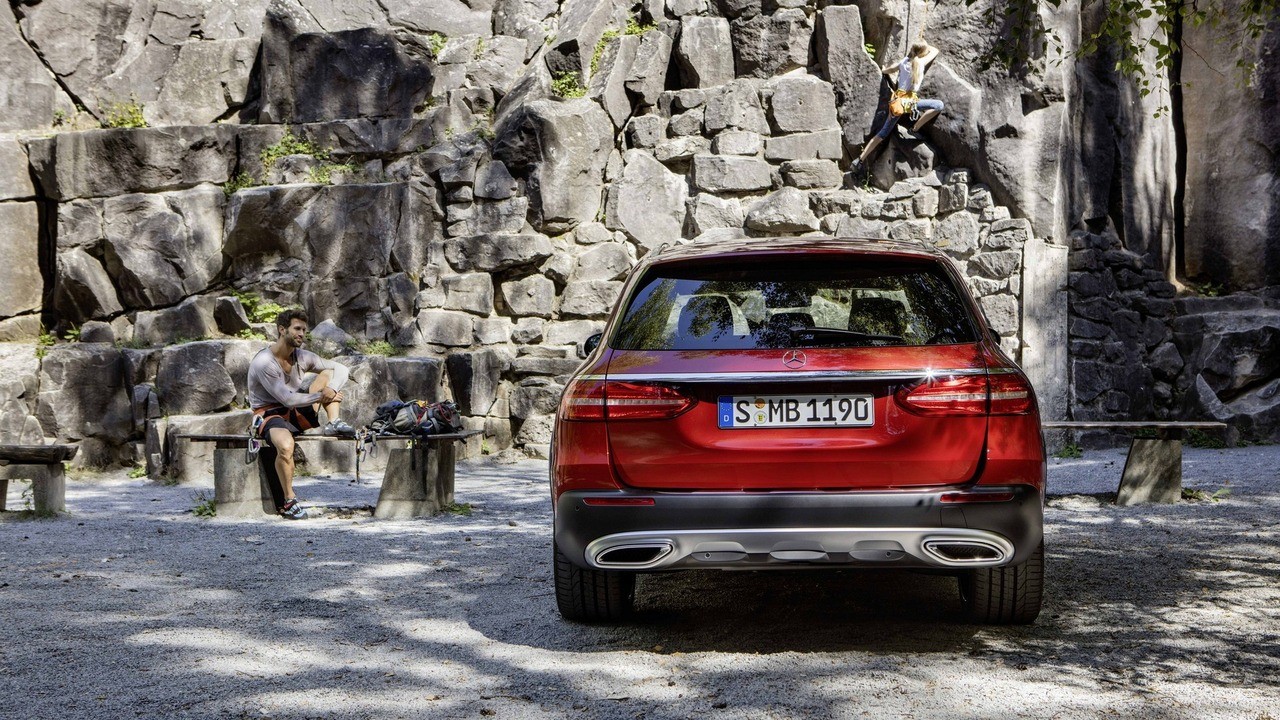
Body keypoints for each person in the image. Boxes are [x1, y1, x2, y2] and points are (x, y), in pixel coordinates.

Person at [247, 308, 354, 519]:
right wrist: (321, 396)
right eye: (297, 329)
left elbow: (341, 369)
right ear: (282, 330)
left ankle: (333, 421)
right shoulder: (264, 362)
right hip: (269, 414)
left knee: (328, 372)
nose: (301, 334)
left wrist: (331, 389)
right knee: (286, 446)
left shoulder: (303, 356)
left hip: (294, 411)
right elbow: (286, 399)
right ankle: (289, 501)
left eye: (304, 330)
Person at [851, 40, 945, 176]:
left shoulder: (904, 62)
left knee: (882, 134)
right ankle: (915, 129)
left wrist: (883, 69)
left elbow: (888, 70)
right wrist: (924, 45)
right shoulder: (921, 63)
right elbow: (935, 50)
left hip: (897, 103)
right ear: (923, 53)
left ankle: (860, 159)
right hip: (910, 103)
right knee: (938, 105)